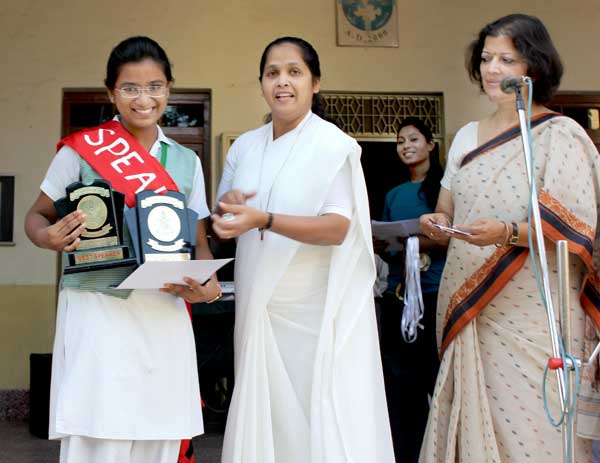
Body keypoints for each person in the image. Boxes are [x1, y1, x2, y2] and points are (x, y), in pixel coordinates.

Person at [24, 36, 220, 463]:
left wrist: (209, 286)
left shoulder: (186, 162)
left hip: (163, 313)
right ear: (111, 92)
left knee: (160, 432)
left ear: (168, 89)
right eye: (130, 88)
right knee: (100, 431)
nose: (144, 99)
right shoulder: (82, 151)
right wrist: (47, 236)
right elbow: (36, 216)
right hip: (98, 312)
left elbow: (200, 245)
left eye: (155, 86)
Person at [419, 14, 600, 462]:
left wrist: (507, 233)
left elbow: (577, 227)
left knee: (536, 430)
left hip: (533, 313)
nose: (492, 69)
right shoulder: (467, 137)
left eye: (506, 59)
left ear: (533, 66)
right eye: (486, 59)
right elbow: (448, 207)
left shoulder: (560, 136)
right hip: (470, 305)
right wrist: (438, 222)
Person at [212, 36, 395, 463]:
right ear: (261, 82)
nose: (282, 82)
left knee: (313, 412)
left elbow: (337, 228)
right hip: (256, 303)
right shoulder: (245, 146)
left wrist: (265, 219)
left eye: (294, 72)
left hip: (310, 310)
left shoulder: (333, 146)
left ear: (315, 83)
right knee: (264, 413)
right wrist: (227, 212)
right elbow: (221, 222)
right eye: (272, 73)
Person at [376, 117, 446, 463]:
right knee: (401, 383)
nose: (406, 146)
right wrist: (383, 242)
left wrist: (416, 241)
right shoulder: (394, 194)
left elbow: (450, 236)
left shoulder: (444, 190)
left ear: (431, 144)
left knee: (435, 374)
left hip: (433, 294)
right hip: (398, 294)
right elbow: (386, 243)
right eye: (401, 141)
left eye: (414, 139)